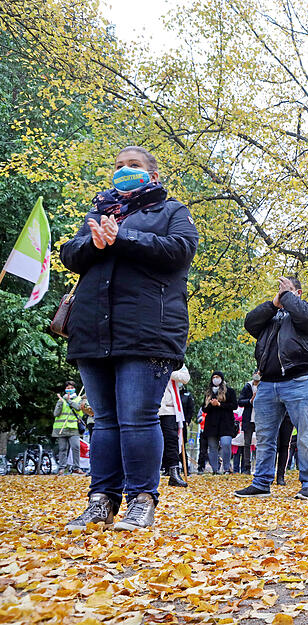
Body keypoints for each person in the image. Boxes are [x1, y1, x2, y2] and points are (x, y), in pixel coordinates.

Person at [61, 145, 198, 531]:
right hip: (92, 330)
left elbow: (180, 251)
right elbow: (70, 254)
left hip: (147, 331)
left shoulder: (172, 211)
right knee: (104, 421)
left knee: (137, 417)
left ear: (152, 175)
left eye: (133, 165)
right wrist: (95, 241)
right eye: (119, 165)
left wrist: (122, 238)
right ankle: (101, 500)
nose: (124, 171)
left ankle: (142, 500)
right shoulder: (97, 213)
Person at [236, 276, 308, 499]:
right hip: (268, 383)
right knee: (265, 437)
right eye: (279, 290)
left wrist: (287, 296)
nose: (281, 294)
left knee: (303, 436)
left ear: (298, 293)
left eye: (286, 290)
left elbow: (305, 315)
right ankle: (262, 482)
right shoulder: (271, 317)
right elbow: (250, 323)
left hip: (300, 381)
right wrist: (272, 304)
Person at [157, 365, 190, 487]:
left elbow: (185, 378)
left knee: (171, 440)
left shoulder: (174, 360)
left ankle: (174, 473)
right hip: (148, 407)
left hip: (169, 409)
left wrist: (167, 370)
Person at [201, 372, 237, 474]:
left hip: (226, 423)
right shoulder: (208, 393)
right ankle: (215, 470)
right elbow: (204, 409)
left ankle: (226, 468)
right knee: (212, 447)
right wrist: (212, 405)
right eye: (214, 377)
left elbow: (234, 405)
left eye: (218, 377)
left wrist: (220, 404)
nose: (215, 379)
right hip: (211, 424)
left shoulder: (229, 391)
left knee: (226, 444)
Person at [53, 382, 84, 475]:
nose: (69, 389)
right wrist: (60, 403)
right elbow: (56, 414)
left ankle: (76, 468)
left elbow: (78, 408)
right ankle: (62, 468)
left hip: (74, 428)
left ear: (74, 388)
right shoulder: (61, 399)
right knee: (62, 448)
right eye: (67, 387)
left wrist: (69, 401)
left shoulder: (79, 398)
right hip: (61, 428)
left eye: (71, 387)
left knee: (76, 447)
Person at [237, 371, 261, 474]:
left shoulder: (264, 386)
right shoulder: (247, 386)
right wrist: (250, 401)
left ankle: (260, 466)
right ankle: (246, 466)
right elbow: (240, 401)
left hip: (261, 419)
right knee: (247, 443)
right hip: (248, 419)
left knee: (261, 443)